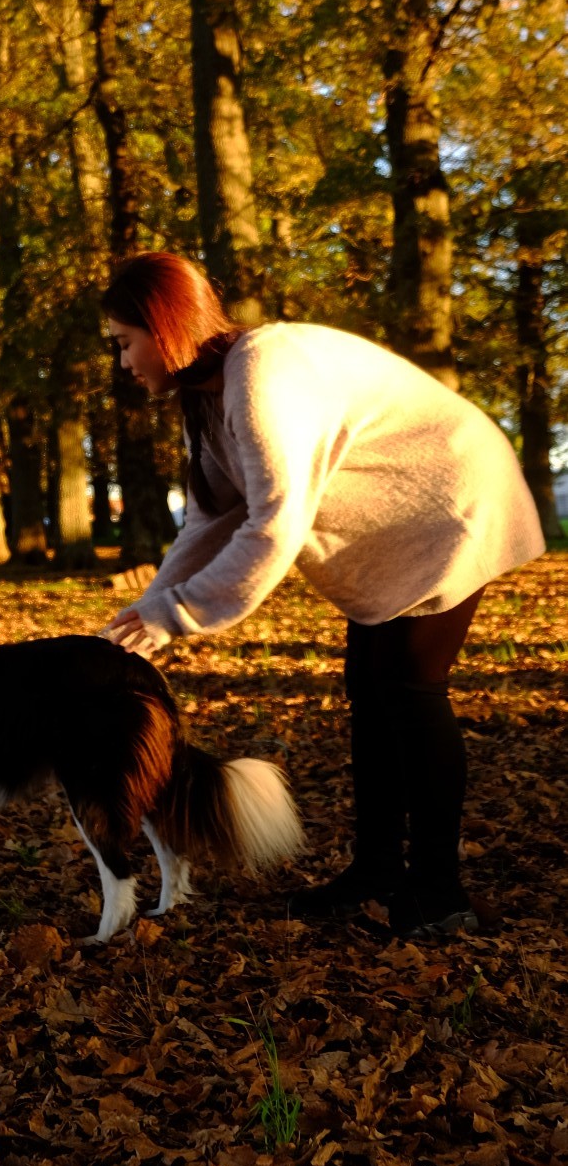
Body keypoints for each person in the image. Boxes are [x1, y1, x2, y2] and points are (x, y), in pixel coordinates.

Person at [102, 251, 545, 939]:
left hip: (451, 502)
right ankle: (374, 872)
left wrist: (174, 613)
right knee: (368, 688)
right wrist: (146, 612)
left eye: (125, 343)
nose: (123, 363)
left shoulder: (261, 370)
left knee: (407, 688)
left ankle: (439, 892)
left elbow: (274, 523)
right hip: (395, 524)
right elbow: (209, 518)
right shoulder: (205, 398)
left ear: (163, 329)